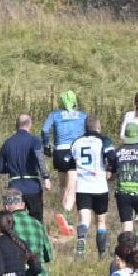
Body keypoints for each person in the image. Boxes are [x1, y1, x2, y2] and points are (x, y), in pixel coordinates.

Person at [41, 91, 88, 235]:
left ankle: (62, 215)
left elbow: (44, 130)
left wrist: (46, 145)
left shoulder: (55, 115)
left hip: (59, 151)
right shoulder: (82, 116)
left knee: (62, 185)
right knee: (72, 187)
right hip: (75, 150)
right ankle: (66, 216)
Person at [70, 116, 115, 259]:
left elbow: (68, 161)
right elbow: (113, 157)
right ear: (98, 127)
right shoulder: (103, 140)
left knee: (84, 219)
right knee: (101, 220)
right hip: (99, 186)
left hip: (82, 186)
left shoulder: (76, 142)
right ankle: (102, 253)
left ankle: (81, 243)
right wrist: (111, 169)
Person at [0, 114, 52, 220]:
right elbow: (39, 158)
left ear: (16, 126)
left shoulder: (7, 143)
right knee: (36, 220)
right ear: (29, 125)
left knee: (13, 222)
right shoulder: (34, 140)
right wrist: (46, 177)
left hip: (14, 187)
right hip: (33, 187)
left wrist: (12, 168)